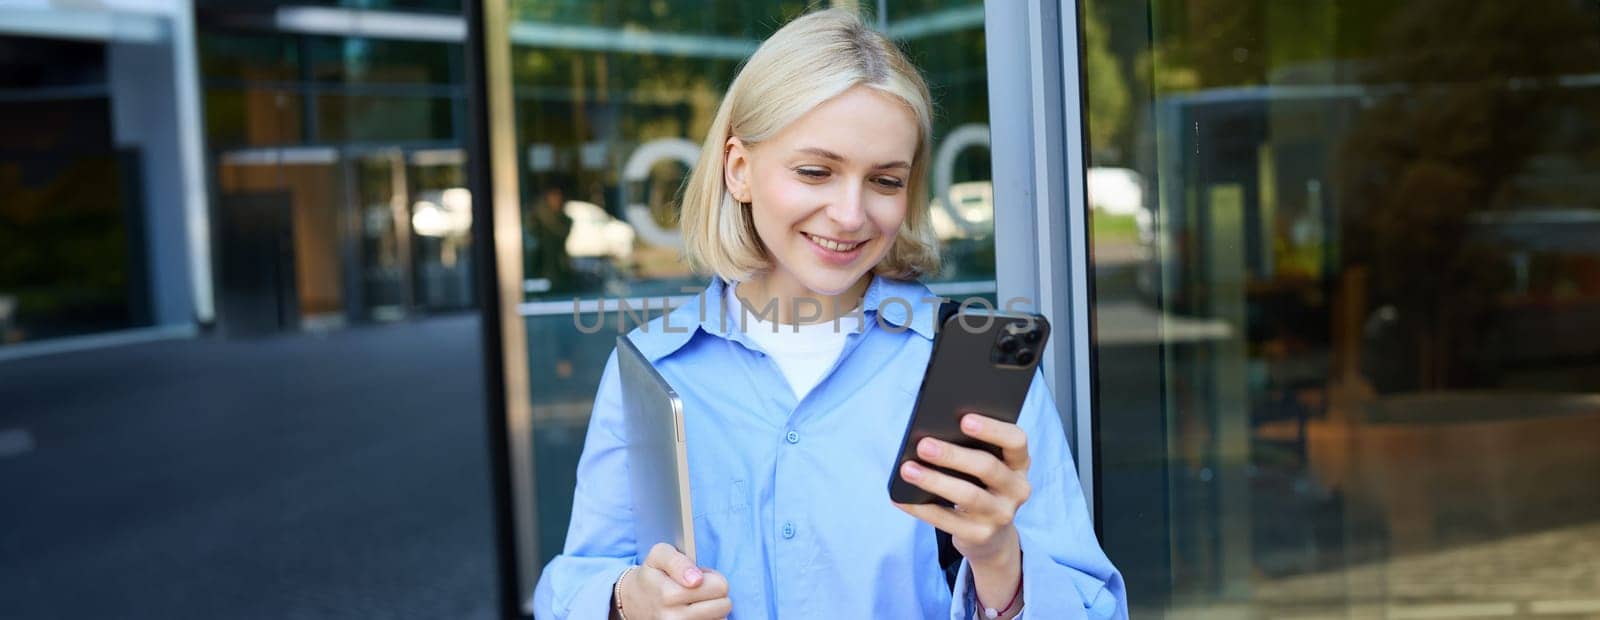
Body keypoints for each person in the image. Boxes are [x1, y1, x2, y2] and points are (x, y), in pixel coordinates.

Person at [533, 9, 1125, 620]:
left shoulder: (975, 364)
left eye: (885, 181)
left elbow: (1094, 607)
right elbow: (578, 577)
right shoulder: (651, 369)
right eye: (815, 171)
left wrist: (1000, 557)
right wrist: (625, 600)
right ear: (739, 169)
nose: (849, 214)